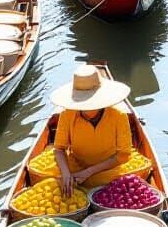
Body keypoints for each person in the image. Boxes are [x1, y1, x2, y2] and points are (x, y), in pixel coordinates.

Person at [52, 65, 135, 193]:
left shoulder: (119, 115)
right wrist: (66, 173)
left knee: (122, 188)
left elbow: (123, 155)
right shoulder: (67, 115)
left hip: (108, 171)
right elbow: (59, 149)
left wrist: (90, 172)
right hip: (76, 170)